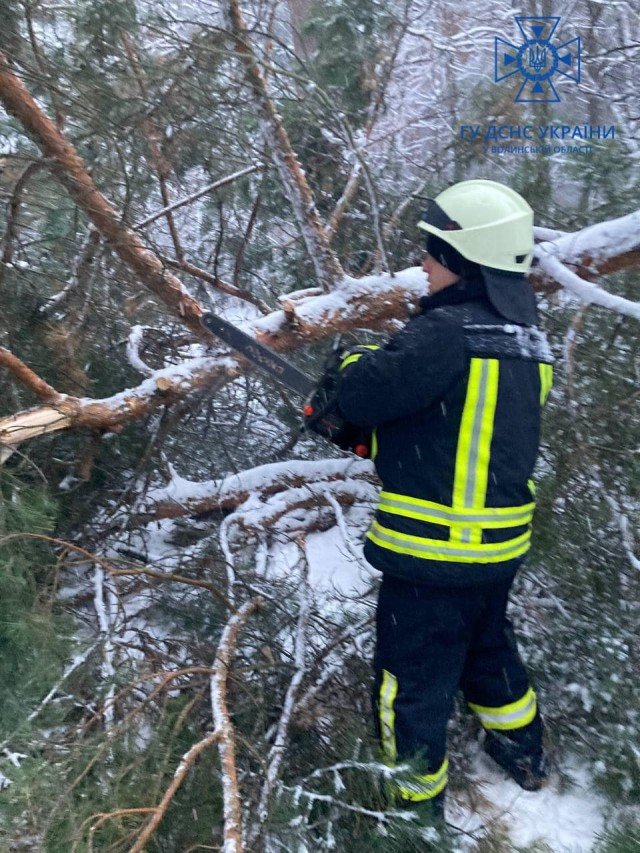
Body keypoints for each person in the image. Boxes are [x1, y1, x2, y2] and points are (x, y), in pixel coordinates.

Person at [336, 179, 553, 819]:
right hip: (496, 553)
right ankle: (525, 753)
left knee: (410, 688)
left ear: (464, 258)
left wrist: (348, 369)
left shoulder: (444, 334)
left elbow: (362, 394)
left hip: (432, 559)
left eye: (433, 251)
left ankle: (412, 816)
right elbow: (466, 430)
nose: (424, 263)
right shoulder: (529, 341)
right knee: (489, 654)